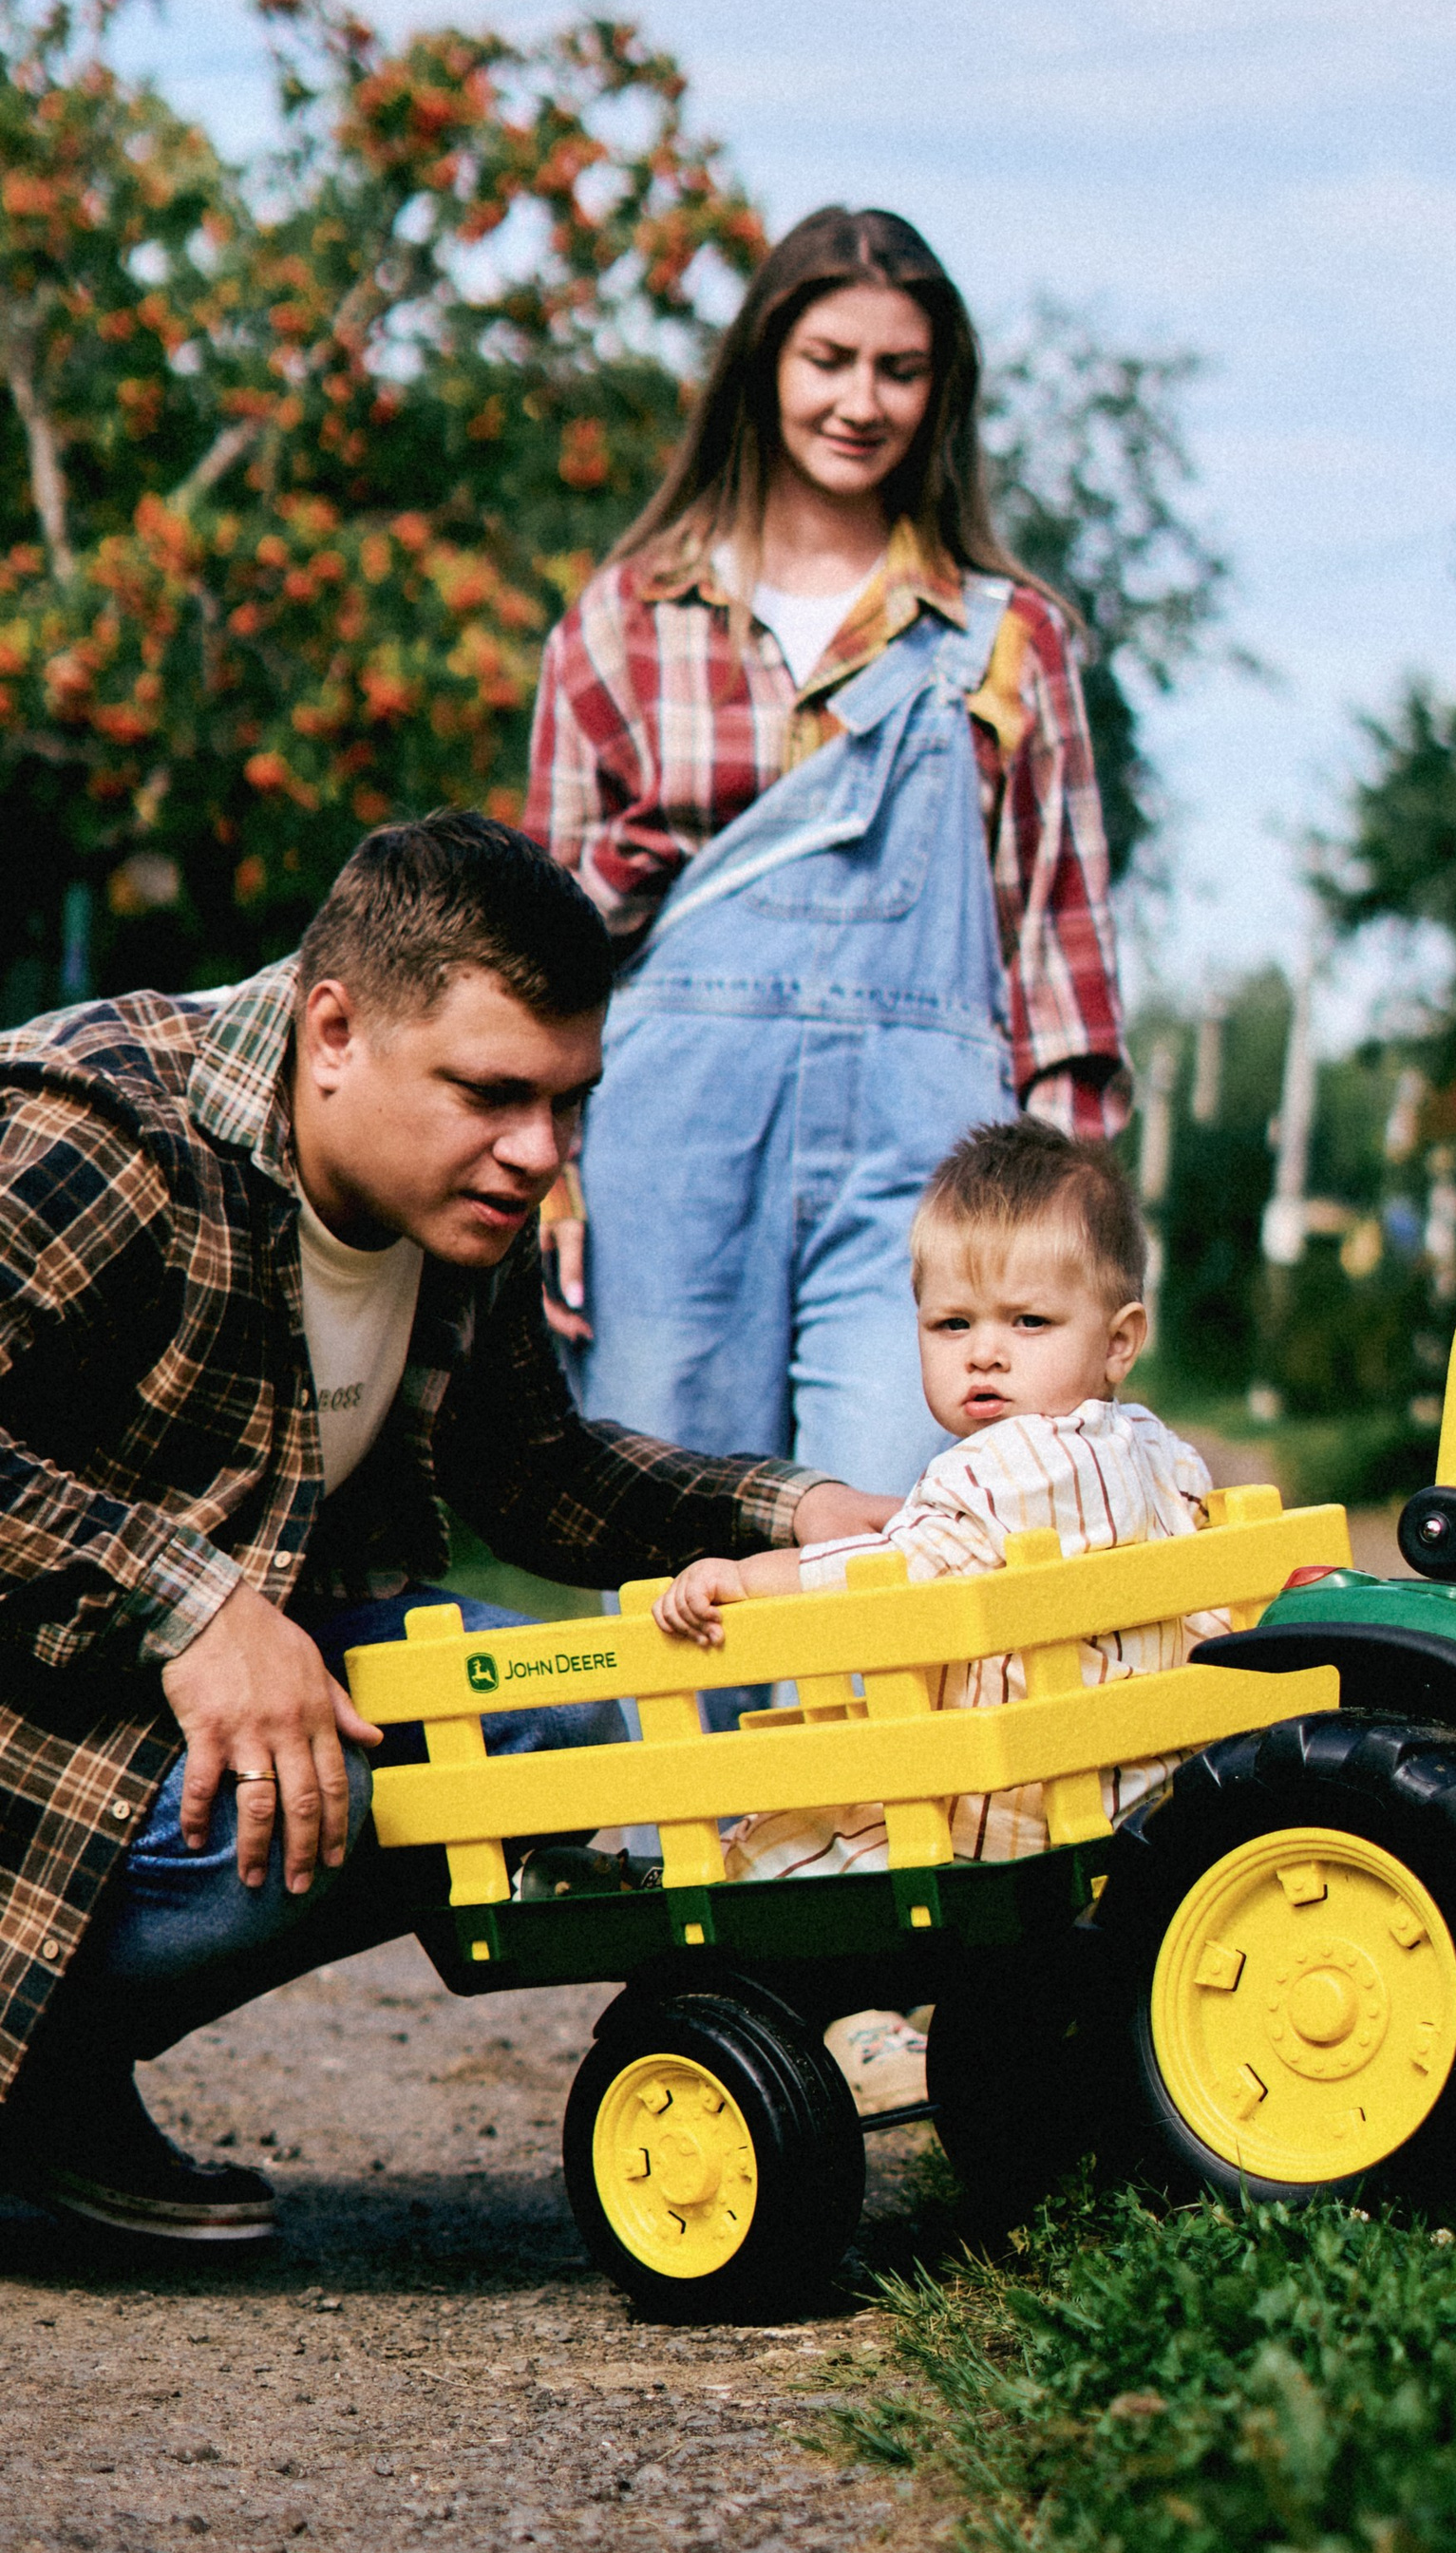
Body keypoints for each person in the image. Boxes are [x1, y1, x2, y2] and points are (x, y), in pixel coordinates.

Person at [0, 814, 893, 2249]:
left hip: (107, 1729)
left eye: (567, 1102)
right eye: (491, 1093)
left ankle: (46, 2082)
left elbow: (535, 1472)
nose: (540, 1152)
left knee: (532, 1717)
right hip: (37, 1742)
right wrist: (192, 1604)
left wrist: (797, 1510)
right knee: (419, 1743)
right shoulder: (101, 1136)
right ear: (334, 1032)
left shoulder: (451, 1194)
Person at [525, 204, 1128, 1498]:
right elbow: (537, 954)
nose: (861, 402)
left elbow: (1059, 951)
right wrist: (547, 1178)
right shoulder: (624, 623)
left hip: (927, 1158)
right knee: (674, 1537)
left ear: (940, 392)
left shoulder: (1007, 640)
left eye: (898, 370)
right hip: (670, 1151)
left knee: (905, 1537)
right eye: (829, 361)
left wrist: (1064, 1215)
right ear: (765, 366)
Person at [653, 1115, 1212, 1919]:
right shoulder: (1158, 1453)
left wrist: (741, 1577)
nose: (984, 1352)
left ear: (1119, 1342)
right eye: (954, 1323)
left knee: (765, 1856)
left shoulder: (997, 1469)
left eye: (1028, 1321)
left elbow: (882, 1579)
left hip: (995, 1819)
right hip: (1129, 1797)